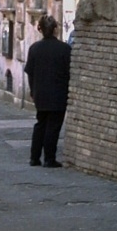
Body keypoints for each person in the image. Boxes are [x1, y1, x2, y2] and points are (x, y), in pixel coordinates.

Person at [24, 14, 71, 168]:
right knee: (53, 126)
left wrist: (33, 91)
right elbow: (69, 72)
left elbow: (30, 72)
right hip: (58, 92)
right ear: (56, 29)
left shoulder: (34, 48)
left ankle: (34, 157)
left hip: (40, 92)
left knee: (40, 124)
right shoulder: (65, 49)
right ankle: (49, 158)